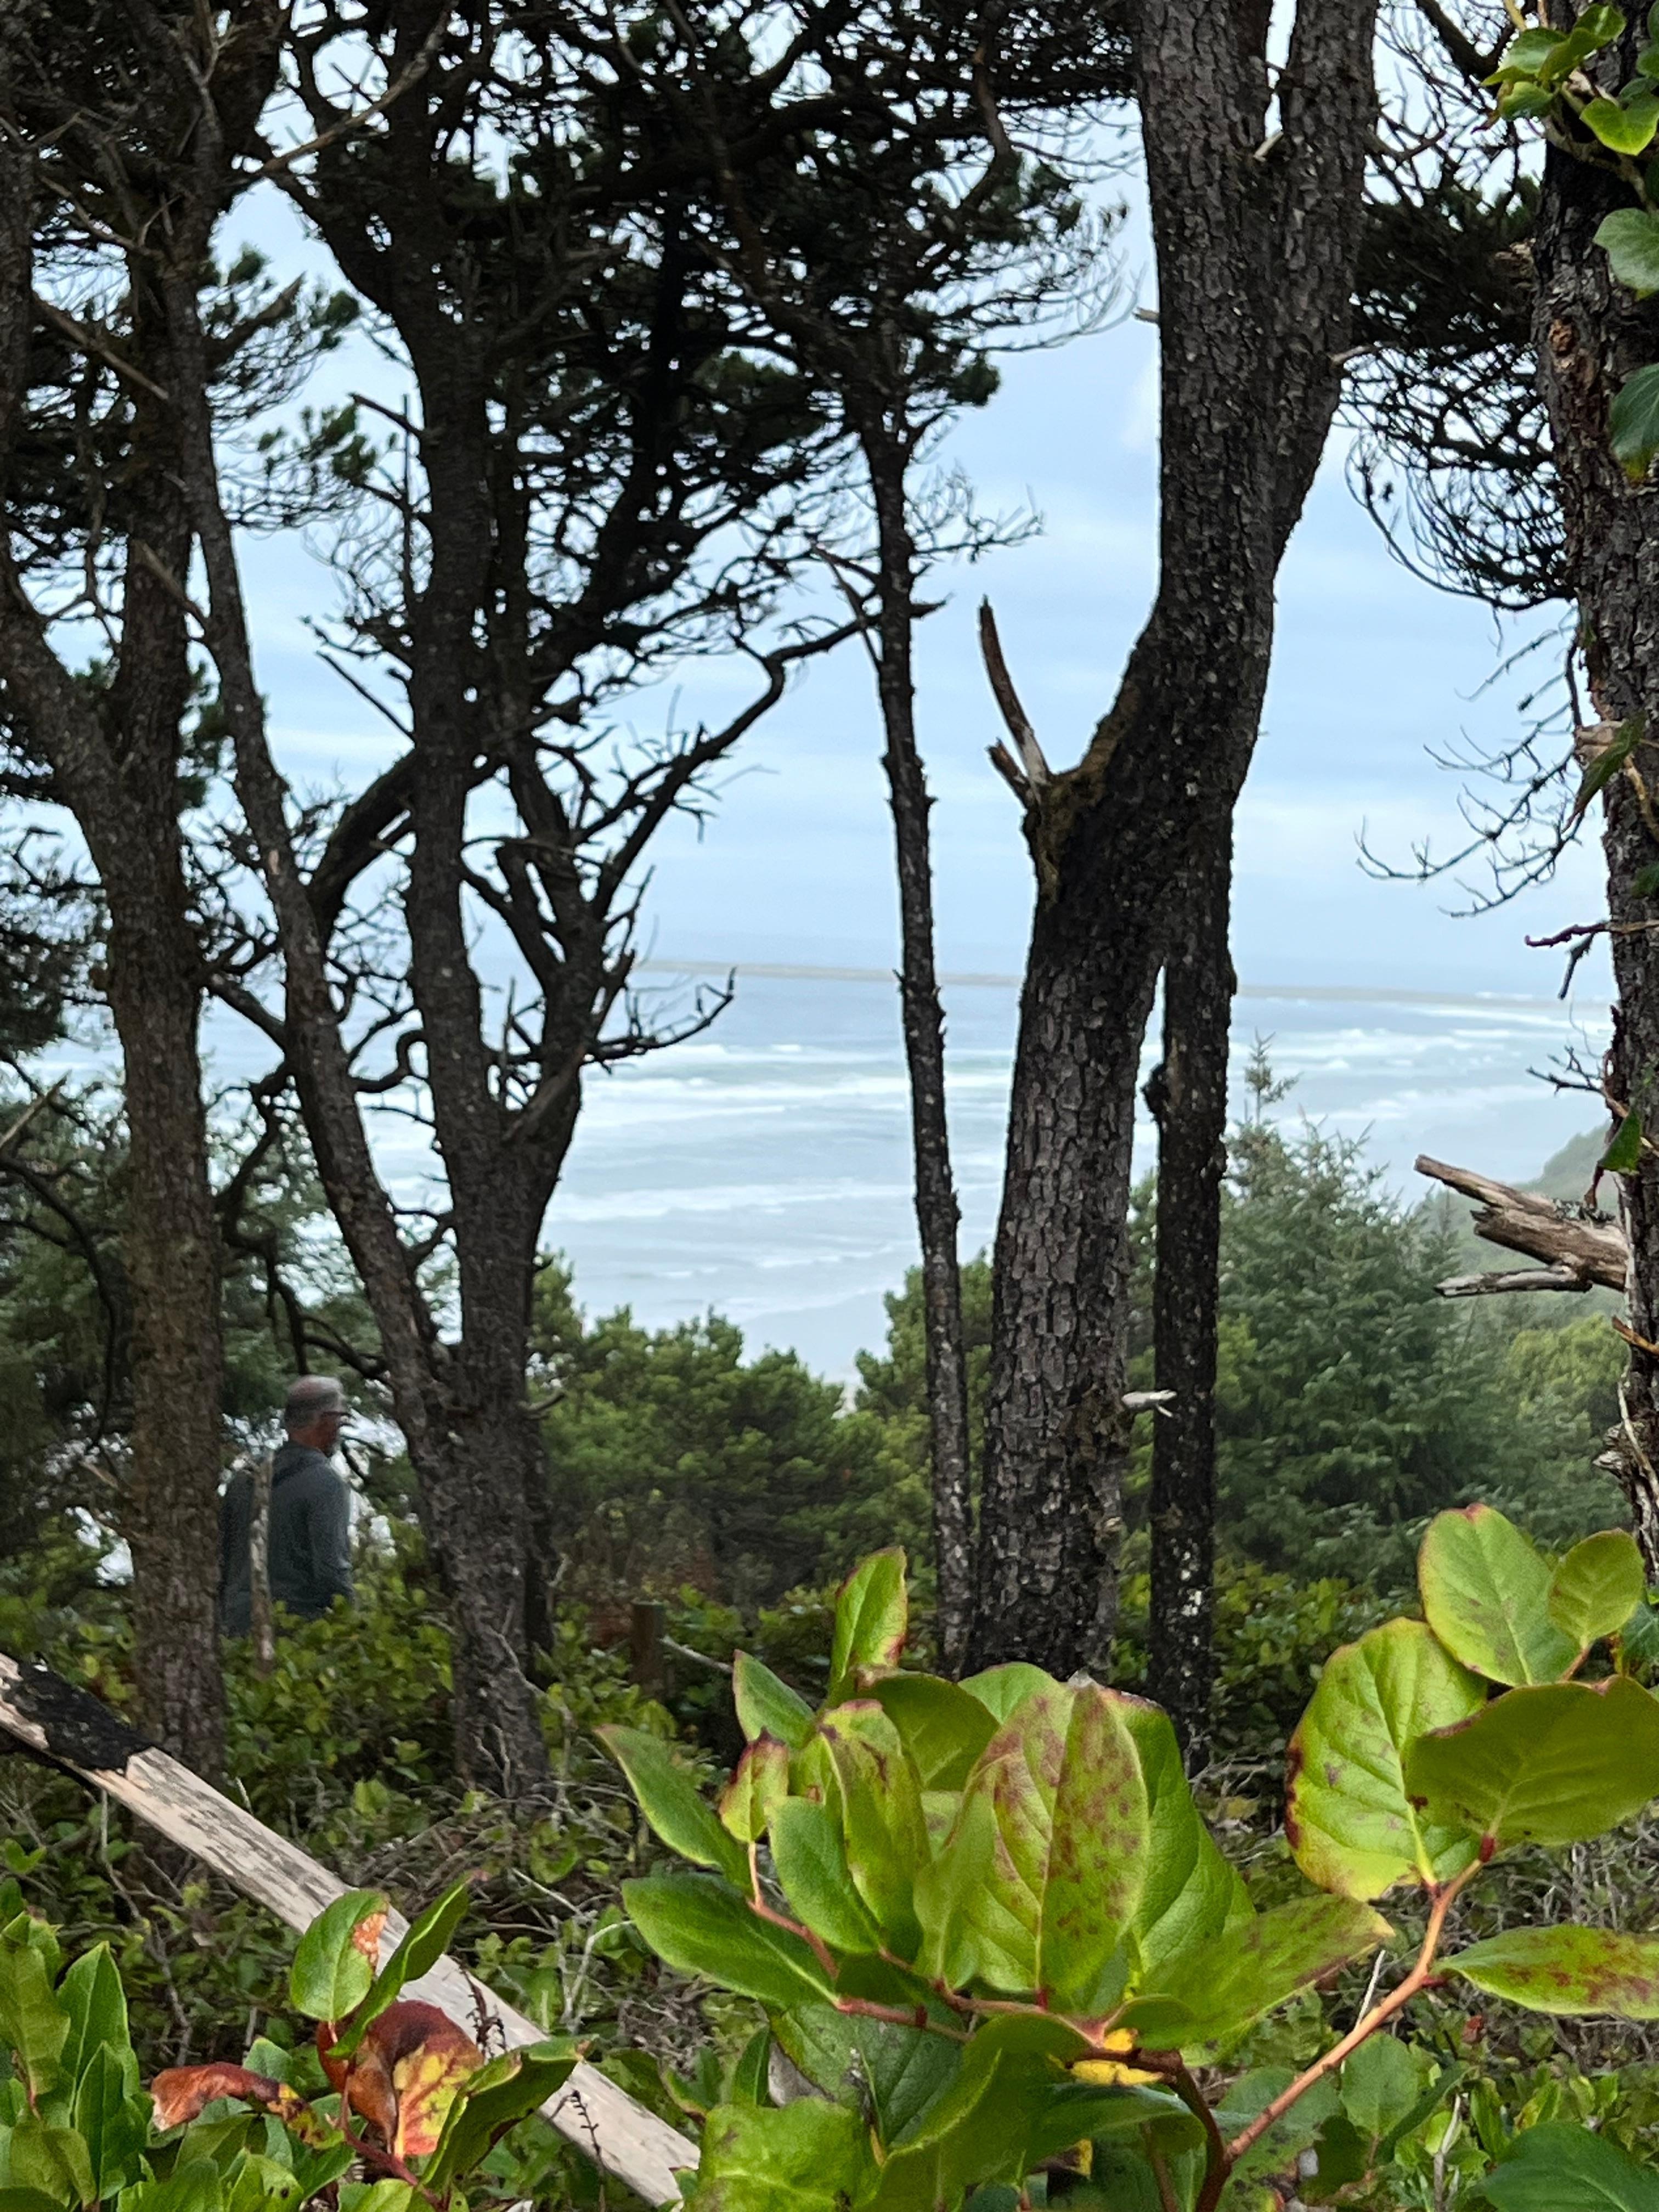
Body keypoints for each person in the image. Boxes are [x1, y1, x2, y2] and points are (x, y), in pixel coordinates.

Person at [219, 1375, 356, 1636]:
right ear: (325, 1420)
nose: (341, 1426)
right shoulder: (325, 1483)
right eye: (341, 1418)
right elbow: (331, 1571)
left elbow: (221, 1561)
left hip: (236, 1631)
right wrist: (352, 1627)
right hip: (295, 1636)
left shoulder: (245, 1479)